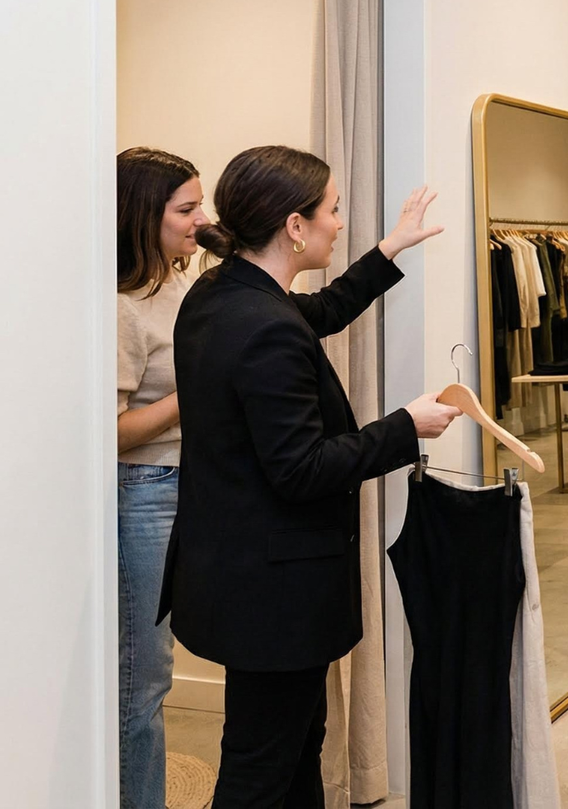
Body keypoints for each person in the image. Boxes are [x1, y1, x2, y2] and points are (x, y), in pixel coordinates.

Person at [162, 145, 461, 805]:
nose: (339, 221)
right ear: (295, 226)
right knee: (262, 765)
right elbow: (301, 469)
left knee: (294, 746)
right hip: (274, 588)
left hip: (237, 574)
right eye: (332, 210)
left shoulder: (220, 294)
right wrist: (405, 428)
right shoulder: (263, 323)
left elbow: (317, 313)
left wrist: (389, 251)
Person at [115, 147, 209, 808]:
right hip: (142, 493)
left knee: (160, 669)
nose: (201, 218)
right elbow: (110, 432)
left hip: (188, 486)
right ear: (144, 216)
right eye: (186, 208)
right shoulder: (120, 308)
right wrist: (197, 394)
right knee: (140, 679)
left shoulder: (179, 285)